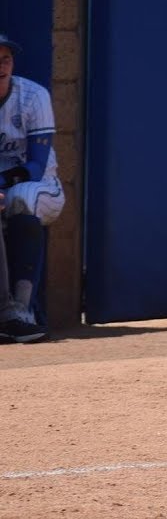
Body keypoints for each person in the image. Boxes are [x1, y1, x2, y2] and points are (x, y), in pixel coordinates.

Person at [0, 34, 63, 344]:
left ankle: (21, 312)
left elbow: (36, 166)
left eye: (5, 59)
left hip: (40, 188)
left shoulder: (32, 95)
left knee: (20, 199)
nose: (1, 66)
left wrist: (0, 183)